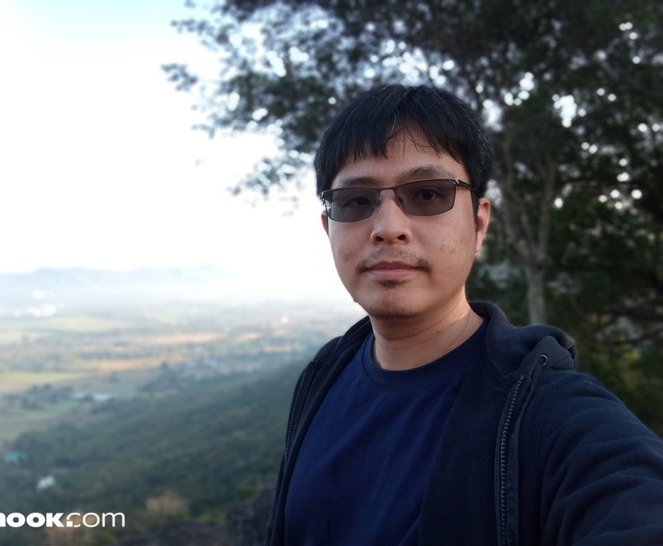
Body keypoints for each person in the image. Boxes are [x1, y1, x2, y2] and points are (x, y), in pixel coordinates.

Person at [265, 84, 663, 546]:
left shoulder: (549, 414)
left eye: (427, 194)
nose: (388, 228)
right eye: (356, 200)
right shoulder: (323, 376)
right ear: (329, 228)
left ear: (478, 223)